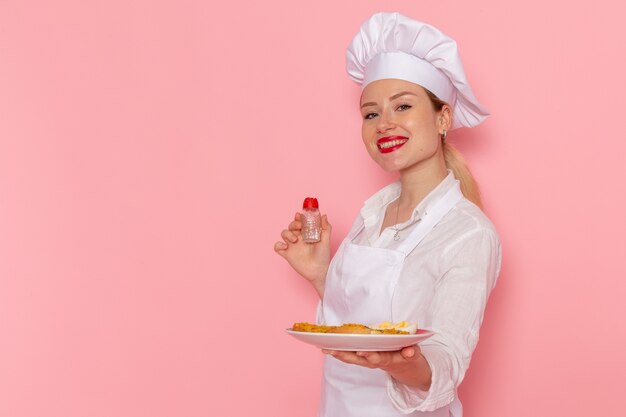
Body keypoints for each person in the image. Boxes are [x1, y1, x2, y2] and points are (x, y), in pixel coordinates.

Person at [274, 12, 502, 417]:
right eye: (371, 113)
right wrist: (320, 274)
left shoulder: (468, 232)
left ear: (443, 117)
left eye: (403, 106)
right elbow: (356, 327)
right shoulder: (371, 218)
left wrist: (397, 361)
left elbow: (446, 360)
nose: (385, 124)